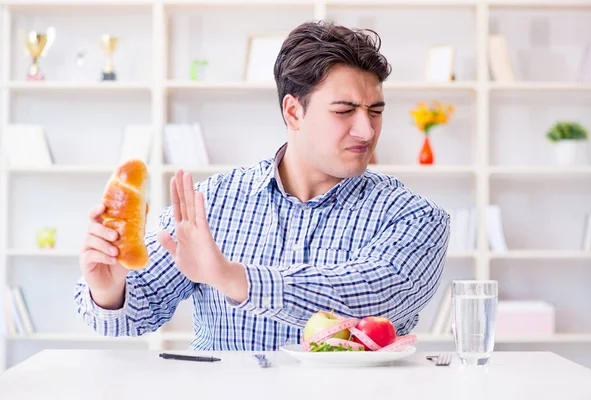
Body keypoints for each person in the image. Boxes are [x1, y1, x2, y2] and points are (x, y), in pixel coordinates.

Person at [74, 20, 450, 351]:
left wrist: (231, 277)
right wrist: (108, 288)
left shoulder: (415, 217)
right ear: (293, 111)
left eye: (376, 111)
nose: (367, 131)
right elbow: (130, 317)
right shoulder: (213, 202)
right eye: (344, 111)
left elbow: (375, 297)